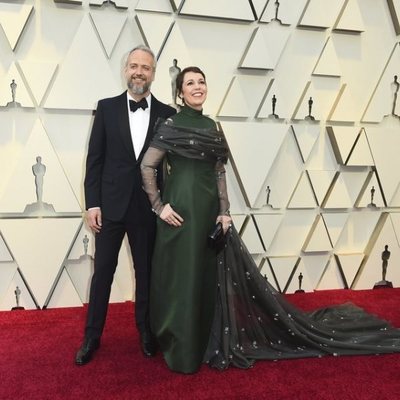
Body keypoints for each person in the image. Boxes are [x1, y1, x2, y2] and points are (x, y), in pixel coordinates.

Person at [141, 66, 400, 374]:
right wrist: (159, 206)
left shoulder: (213, 126)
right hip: (180, 216)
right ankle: (180, 345)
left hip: (209, 213)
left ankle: (204, 342)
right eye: (190, 84)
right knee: (181, 279)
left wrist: (224, 211)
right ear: (180, 92)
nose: (197, 87)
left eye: (201, 82)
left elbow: (219, 172)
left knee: (205, 279)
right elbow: (147, 165)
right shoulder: (171, 124)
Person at [75, 45, 176, 366]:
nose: (139, 72)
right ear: (125, 70)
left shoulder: (167, 114)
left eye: (145, 67)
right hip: (109, 207)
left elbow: (171, 167)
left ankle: (146, 332)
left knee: (145, 273)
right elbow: (95, 161)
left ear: (153, 74)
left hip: (147, 208)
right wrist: (92, 204)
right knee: (102, 272)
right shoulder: (106, 108)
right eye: (134, 66)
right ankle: (92, 336)